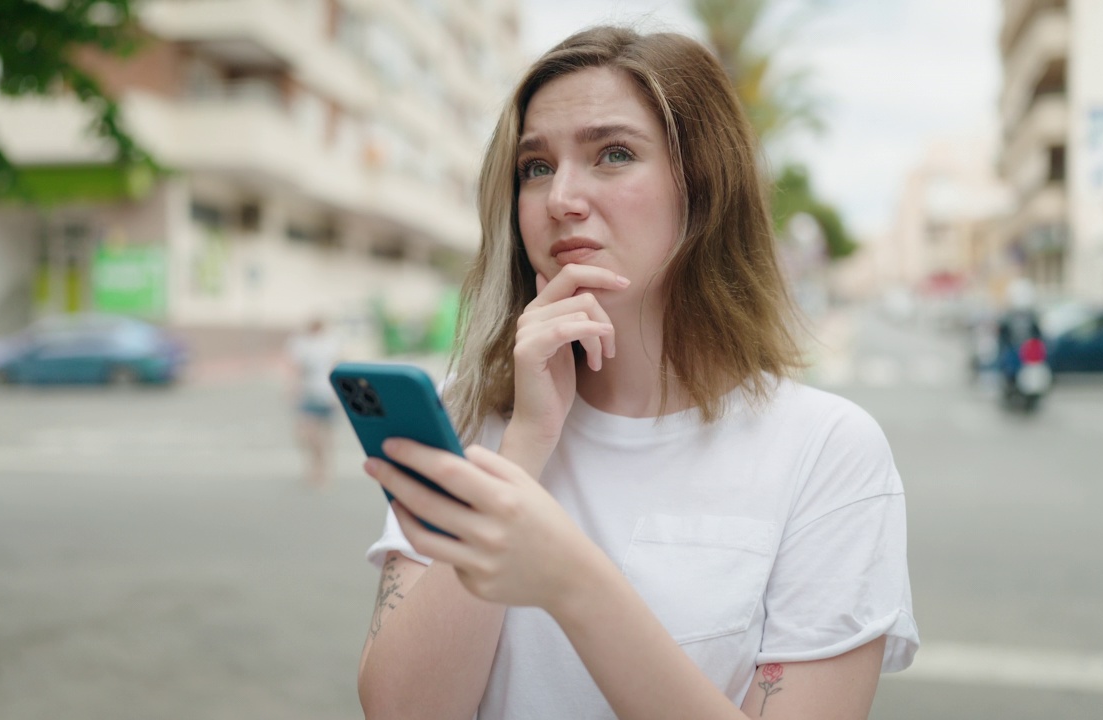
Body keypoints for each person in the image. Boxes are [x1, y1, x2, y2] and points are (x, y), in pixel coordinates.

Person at [358, 26, 918, 720]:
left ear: (704, 187)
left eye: (613, 154)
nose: (561, 196)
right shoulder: (472, 415)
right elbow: (402, 710)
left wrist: (572, 582)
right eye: (535, 166)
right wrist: (525, 444)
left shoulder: (826, 450)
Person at [287, 317, 343, 487]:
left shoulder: (331, 342)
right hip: (308, 393)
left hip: (327, 394)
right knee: (306, 433)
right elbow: (294, 368)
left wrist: (339, 394)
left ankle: (324, 470)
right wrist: (292, 388)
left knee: (326, 435)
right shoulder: (300, 343)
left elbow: (337, 365)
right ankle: (314, 466)